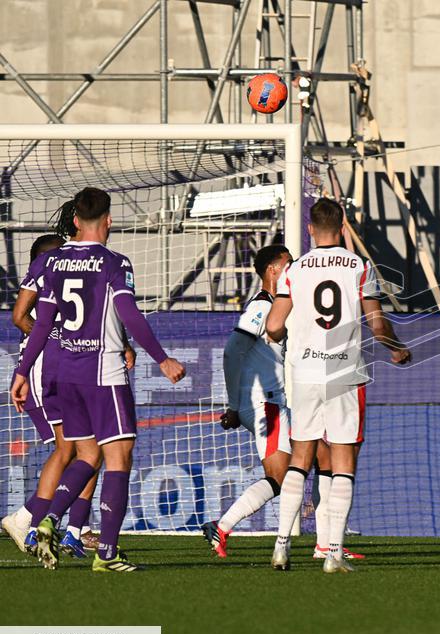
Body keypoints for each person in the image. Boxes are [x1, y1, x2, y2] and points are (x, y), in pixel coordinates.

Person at [12, 187, 186, 572]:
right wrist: (162, 358)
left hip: (66, 374)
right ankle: (106, 552)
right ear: (108, 220)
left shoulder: (52, 262)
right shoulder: (114, 262)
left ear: (75, 220)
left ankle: (48, 520)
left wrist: (22, 372)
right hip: (103, 373)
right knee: (118, 457)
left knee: (87, 455)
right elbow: (130, 314)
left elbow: (42, 322)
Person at [265, 198, 410, 573]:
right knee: (344, 458)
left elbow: (274, 326)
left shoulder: (294, 270)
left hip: (305, 373)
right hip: (344, 372)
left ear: (310, 229)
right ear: (343, 227)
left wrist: (285, 335)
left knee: (301, 456)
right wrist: (396, 348)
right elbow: (376, 323)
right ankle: (333, 553)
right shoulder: (359, 266)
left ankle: (281, 546)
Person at [201, 244, 293, 558]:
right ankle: (222, 526)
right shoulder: (263, 305)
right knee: (281, 478)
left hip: (276, 402)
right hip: (266, 404)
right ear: (273, 270)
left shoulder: (281, 305)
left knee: (317, 462)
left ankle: (327, 544)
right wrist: (233, 404)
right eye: (288, 263)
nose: (293, 268)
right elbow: (232, 352)